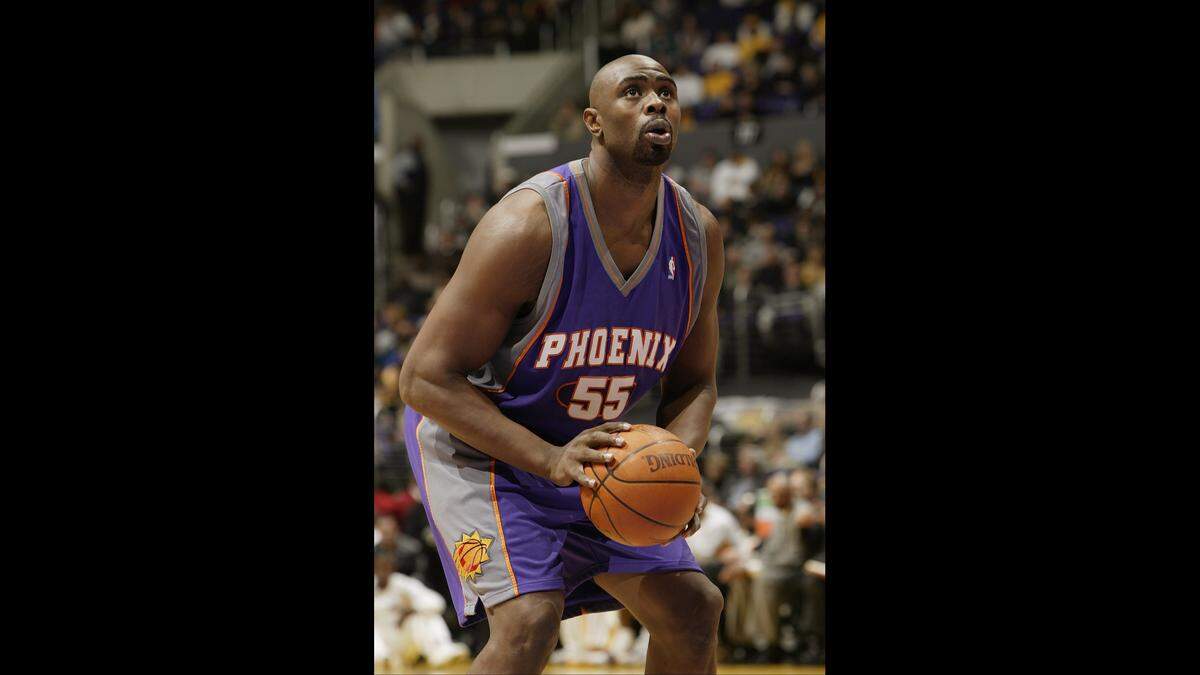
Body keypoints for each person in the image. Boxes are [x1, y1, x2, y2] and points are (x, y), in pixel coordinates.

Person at [398, 54, 726, 674]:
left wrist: (676, 463)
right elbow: (421, 378)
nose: (657, 102)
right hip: (484, 450)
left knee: (693, 607)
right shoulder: (528, 224)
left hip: (595, 460)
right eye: (634, 93)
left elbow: (695, 382)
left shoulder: (698, 234)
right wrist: (548, 459)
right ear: (594, 122)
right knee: (528, 622)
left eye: (666, 92)